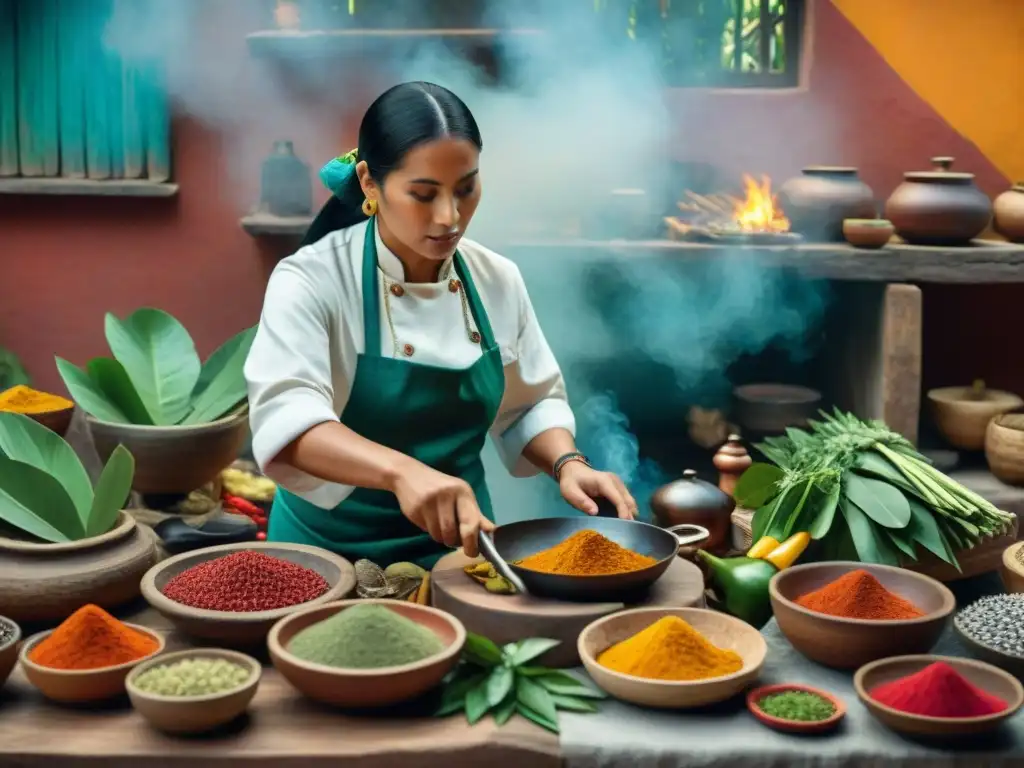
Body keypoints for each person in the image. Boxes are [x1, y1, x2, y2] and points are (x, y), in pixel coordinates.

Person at [245, 81, 637, 569]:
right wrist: (402, 473)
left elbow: (528, 402)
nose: (450, 217)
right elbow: (287, 419)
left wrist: (567, 463)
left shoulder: (497, 279)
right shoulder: (312, 279)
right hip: (325, 559)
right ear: (369, 182)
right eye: (424, 194)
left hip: (462, 553)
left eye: (466, 188)